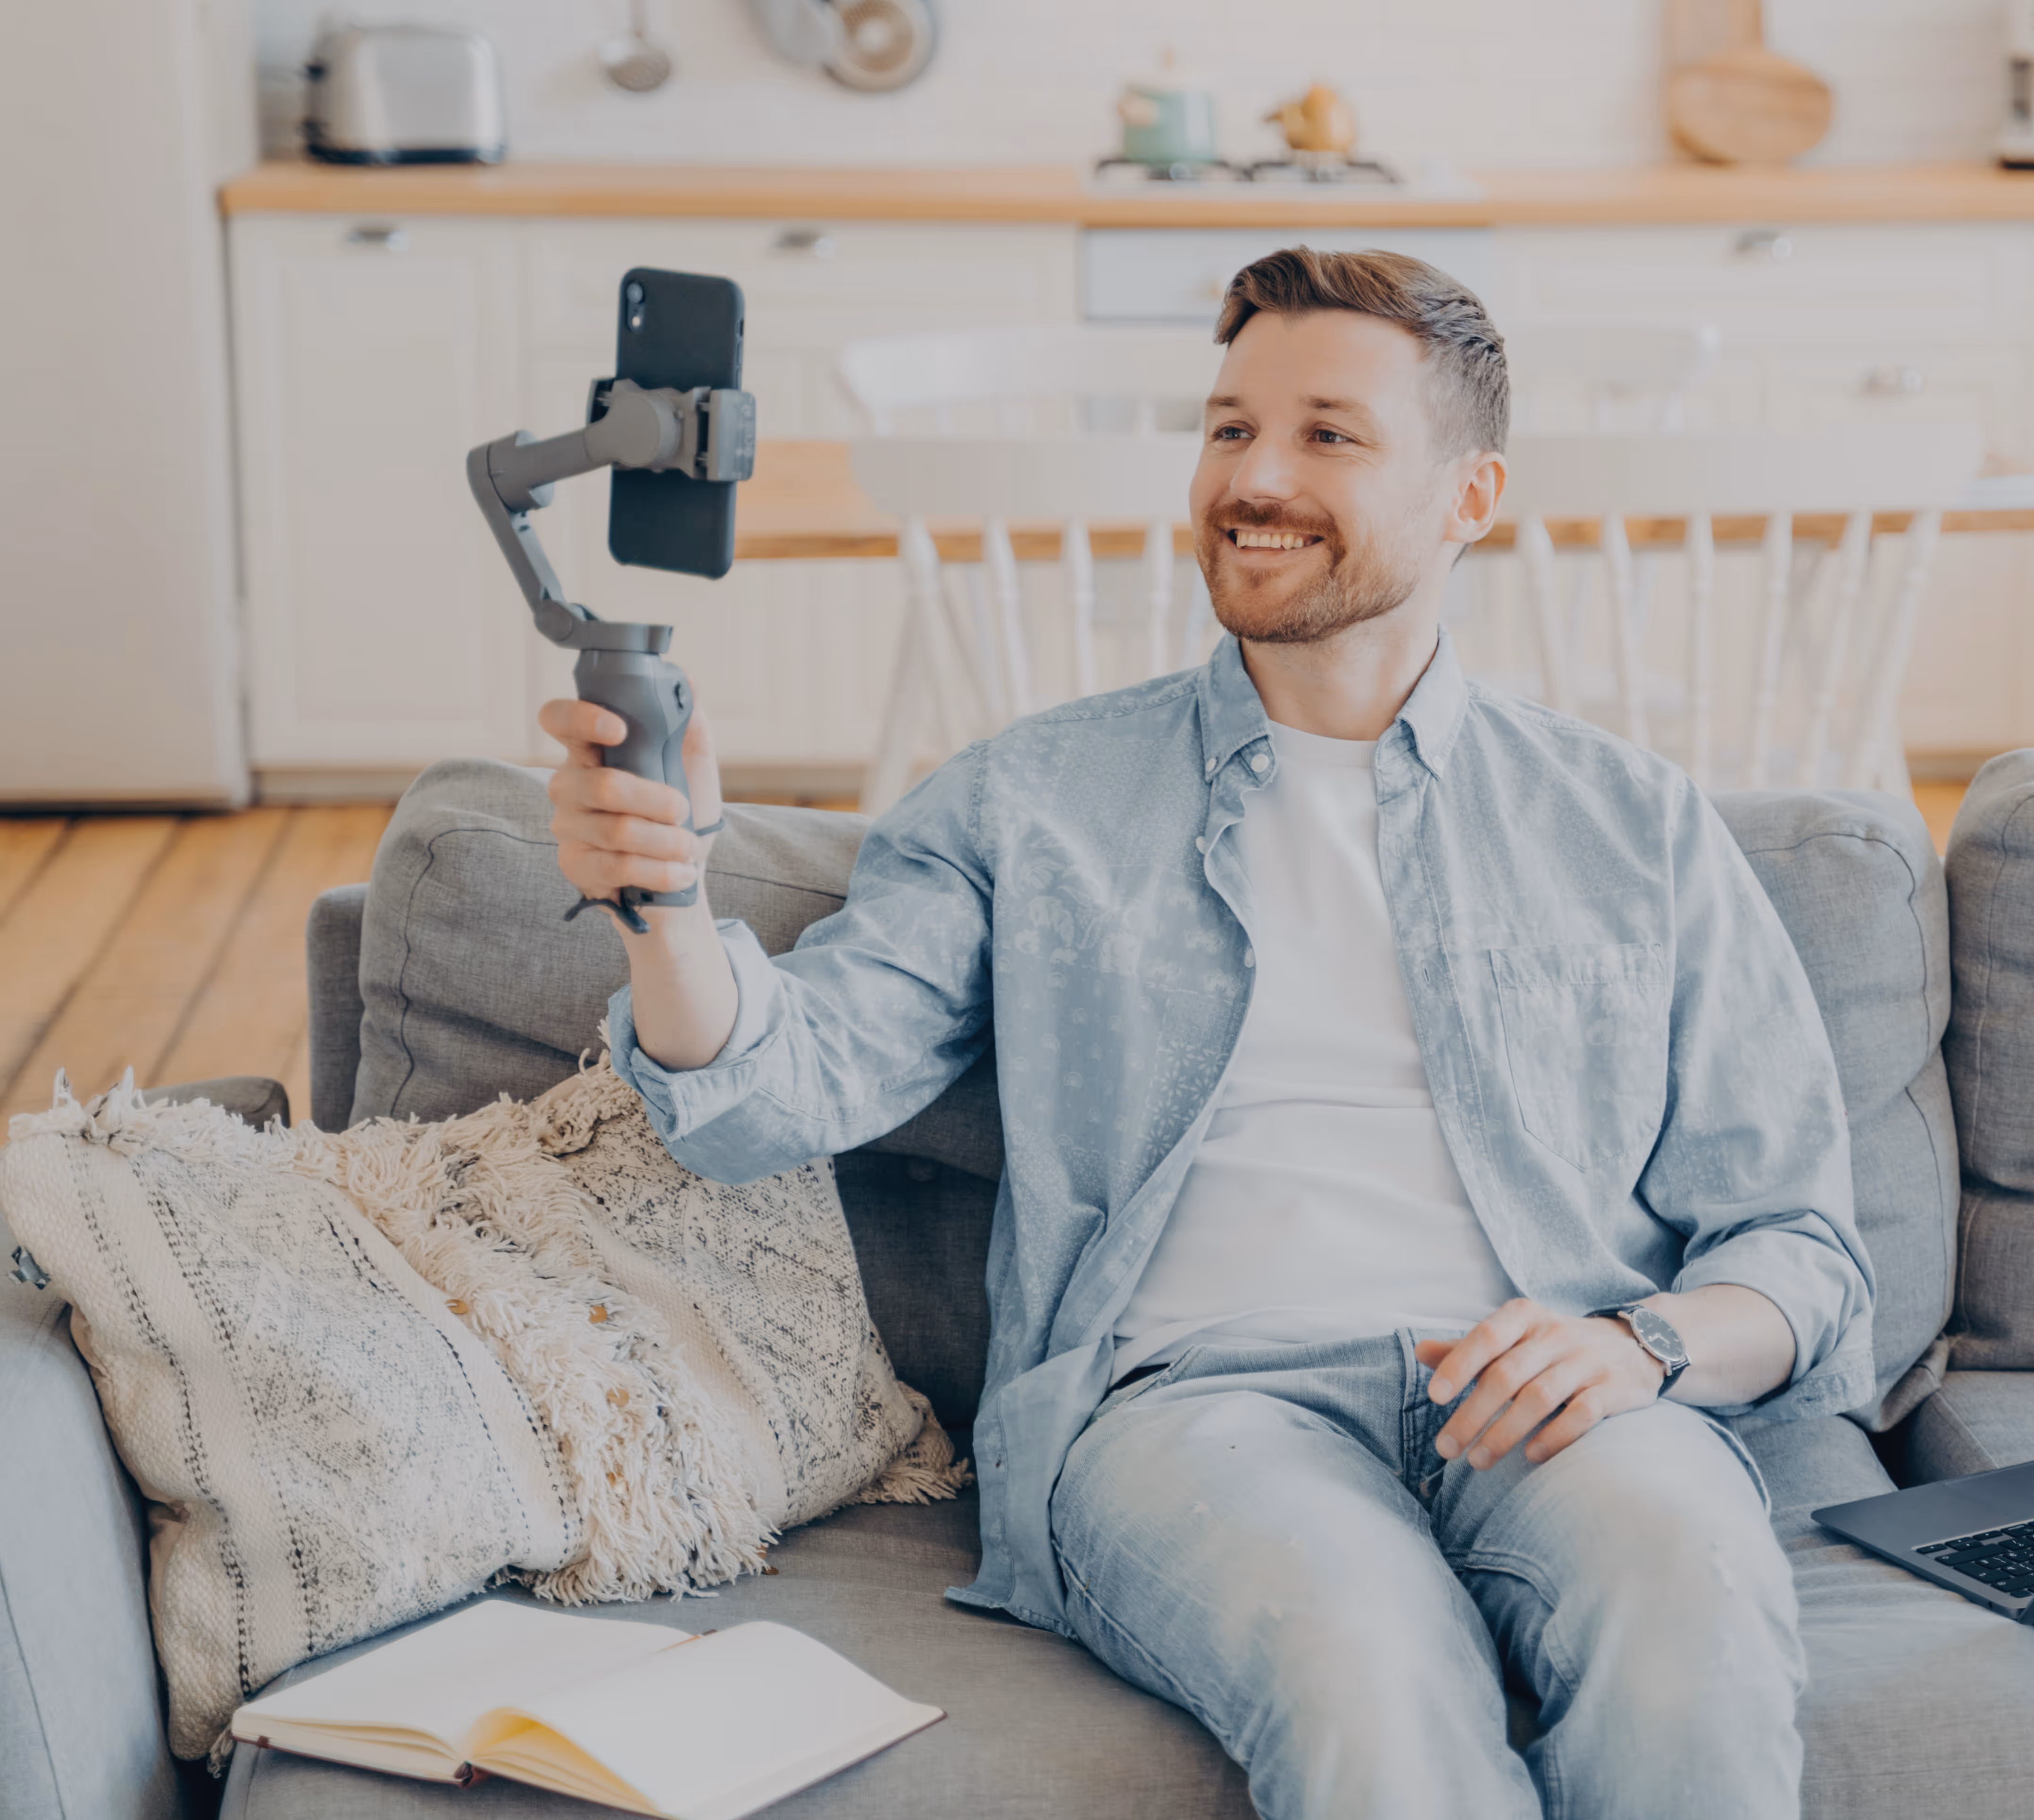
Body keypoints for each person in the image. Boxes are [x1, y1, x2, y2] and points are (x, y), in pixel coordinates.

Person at [538, 248, 1874, 1820]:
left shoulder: (1630, 824)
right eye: (1230, 427)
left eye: (1328, 435)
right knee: (1373, 1671)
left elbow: (1805, 1257)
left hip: (1559, 1393)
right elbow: (777, 1089)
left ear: (1473, 497)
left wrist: (1641, 1342)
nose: (1256, 477)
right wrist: (667, 903)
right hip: (1188, 1408)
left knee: (1695, 1620)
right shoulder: (1027, 799)